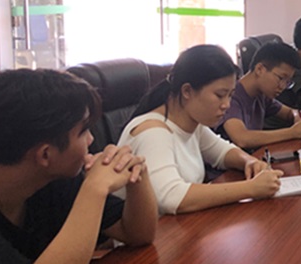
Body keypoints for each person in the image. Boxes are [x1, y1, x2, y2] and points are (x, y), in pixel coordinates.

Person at [0, 70, 157, 264]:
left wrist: (136, 174)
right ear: (45, 154)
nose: (92, 140)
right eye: (83, 131)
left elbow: (137, 233)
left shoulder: (53, 179)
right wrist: (95, 188)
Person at [117, 45, 283, 215]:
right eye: (220, 95)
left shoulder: (192, 122)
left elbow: (222, 152)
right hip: (158, 229)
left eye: (230, 95)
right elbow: (171, 197)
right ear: (187, 91)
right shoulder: (153, 132)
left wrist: (250, 162)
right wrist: (250, 188)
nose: (226, 105)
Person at [218, 42, 301, 151]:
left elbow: (289, 113)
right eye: (281, 78)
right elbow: (242, 139)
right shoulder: (232, 96)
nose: (282, 86)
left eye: (287, 82)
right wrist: (292, 133)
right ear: (259, 69)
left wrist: (297, 118)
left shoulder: (262, 95)